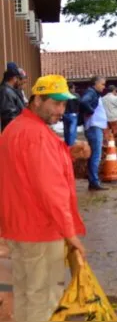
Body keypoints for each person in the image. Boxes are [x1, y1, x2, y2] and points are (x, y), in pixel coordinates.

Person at [0, 74, 88, 322]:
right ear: (37, 99)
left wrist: (67, 154)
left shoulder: (14, 129)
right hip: (40, 230)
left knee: (27, 294)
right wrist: (70, 234)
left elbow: (27, 172)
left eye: (64, 104)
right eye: (56, 103)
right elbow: (51, 190)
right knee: (45, 300)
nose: (61, 110)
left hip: (19, 229)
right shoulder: (38, 136)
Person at [79, 76, 108, 191]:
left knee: (95, 155)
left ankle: (94, 181)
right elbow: (83, 102)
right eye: (102, 84)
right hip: (94, 127)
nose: (104, 87)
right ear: (95, 84)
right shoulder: (91, 93)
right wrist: (90, 111)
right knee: (96, 156)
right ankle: (94, 182)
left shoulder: (95, 94)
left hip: (95, 127)